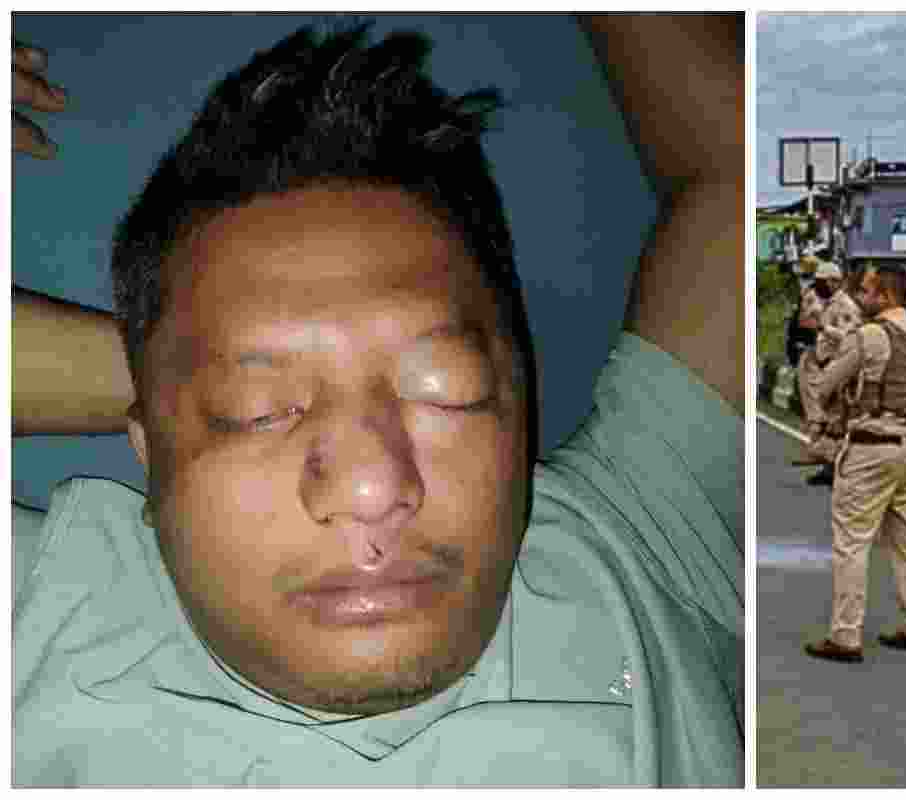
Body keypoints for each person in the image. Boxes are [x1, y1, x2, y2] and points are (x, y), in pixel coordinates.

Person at [12, 16, 744, 786]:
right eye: (254, 410)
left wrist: (211, 398)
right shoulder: (42, 614)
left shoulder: (639, 538)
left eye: (447, 390)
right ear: (150, 453)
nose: (370, 487)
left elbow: (747, 190)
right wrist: (173, 387)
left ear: (520, 402)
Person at [803, 265, 906, 663]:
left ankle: (846, 635)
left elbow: (824, 385)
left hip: (870, 449)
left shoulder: (869, 336)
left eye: (866, 290)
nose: (860, 297)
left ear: (885, 296)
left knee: (851, 542)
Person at [797, 259, 862, 486]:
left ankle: (836, 468)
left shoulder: (845, 306)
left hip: (839, 366)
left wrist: (823, 327)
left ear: (834, 282)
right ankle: (829, 466)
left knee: (836, 419)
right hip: (825, 364)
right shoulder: (826, 304)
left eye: (822, 282)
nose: (818, 287)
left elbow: (848, 338)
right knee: (830, 419)